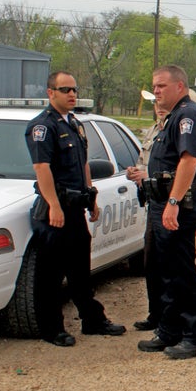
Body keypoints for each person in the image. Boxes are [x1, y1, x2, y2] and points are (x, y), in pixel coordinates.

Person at [25, 71, 126, 346]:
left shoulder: (75, 124)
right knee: (51, 275)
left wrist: (91, 196)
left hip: (76, 209)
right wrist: (54, 206)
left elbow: (83, 164)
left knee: (81, 271)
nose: (72, 94)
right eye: (65, 89)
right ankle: (52, 329)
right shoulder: (43, 127)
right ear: (50, 93)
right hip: (54, 212)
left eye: (74, 89)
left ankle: (92, 320)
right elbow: (41, 169)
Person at [136, 65, 196, 359]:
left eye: (161, 86)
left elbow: (189, 161)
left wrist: (173, 203)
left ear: (180, 86)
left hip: (178, 204)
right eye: (154, 86)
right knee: (165, 272)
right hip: (161, 202)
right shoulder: (171, 118)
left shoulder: (188, 115)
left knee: (181, 273)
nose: (156, 91)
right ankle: (170, 330)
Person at [127, 88, 196, 332]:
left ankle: (188, 331)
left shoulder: (186, 120)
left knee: (177, 269)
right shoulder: (158, 129)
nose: (157, 101)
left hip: (172, 201)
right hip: (155, 200)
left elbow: (187, 163)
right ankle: (162, 320)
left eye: (161, 92)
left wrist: (173, 203)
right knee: (155, 264)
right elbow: (149, 161)